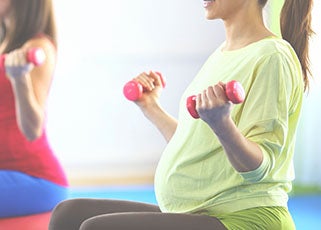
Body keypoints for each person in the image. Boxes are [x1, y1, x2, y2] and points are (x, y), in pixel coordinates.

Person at [49, 0, 313, 229]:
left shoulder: (272, 56)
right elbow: (196, 143)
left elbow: (260, 168)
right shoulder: (222, 54)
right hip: (201, 210)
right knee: (68, 214)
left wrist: (222, 124)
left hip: (243, 219)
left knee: (97, 228)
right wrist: (150, 108)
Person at [0, 0, 68, 218]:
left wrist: (20, 79)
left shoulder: (38, 48)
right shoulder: (4, 44)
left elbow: (33, 130)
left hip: (34, 177)